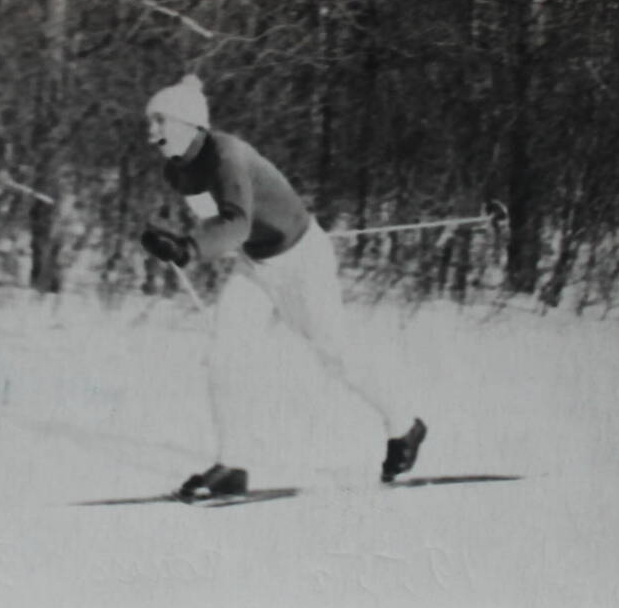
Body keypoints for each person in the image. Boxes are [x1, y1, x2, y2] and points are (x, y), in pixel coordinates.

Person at [140, 74, 426, 499]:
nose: (151, 132)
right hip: (257, 264)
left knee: (334, 354)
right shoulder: (178, 170)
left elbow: (235, 222)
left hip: (301, 261)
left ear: (186, 122)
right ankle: (231, 464)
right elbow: (220, 222)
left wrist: (188, 247)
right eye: (151, 122)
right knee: (223, 355)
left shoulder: (227, 154)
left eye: (159, 121)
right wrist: (180, 244)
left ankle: (405, 426)